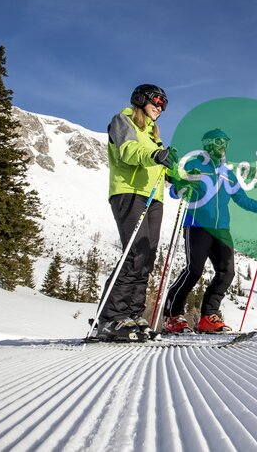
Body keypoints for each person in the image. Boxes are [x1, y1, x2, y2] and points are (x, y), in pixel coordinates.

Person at [162, 128, 257, 334]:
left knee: (227, 272)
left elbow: (243, 199)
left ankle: (208, 317)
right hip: (196, 225)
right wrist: (186, 184)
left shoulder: (228, 174)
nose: (223, 146)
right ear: (207, 143)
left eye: (225, 142)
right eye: (218, 141)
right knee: (194, 271)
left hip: (221, 229)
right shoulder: (194, 165)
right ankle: (172, 316)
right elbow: (174, 190)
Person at [95, 84, 178, 342]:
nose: (161, 107)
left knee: (147, 256)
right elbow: (128, 151)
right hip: (128, 192)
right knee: (134, 253)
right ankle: (110, 318)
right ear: (141, 99)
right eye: (157, 100)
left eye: (164, 104)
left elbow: (162, 167)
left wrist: (182, 179)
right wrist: (155, 154)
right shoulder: (123, 120)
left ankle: (132, 314)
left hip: (154, 197)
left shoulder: (154, 134)